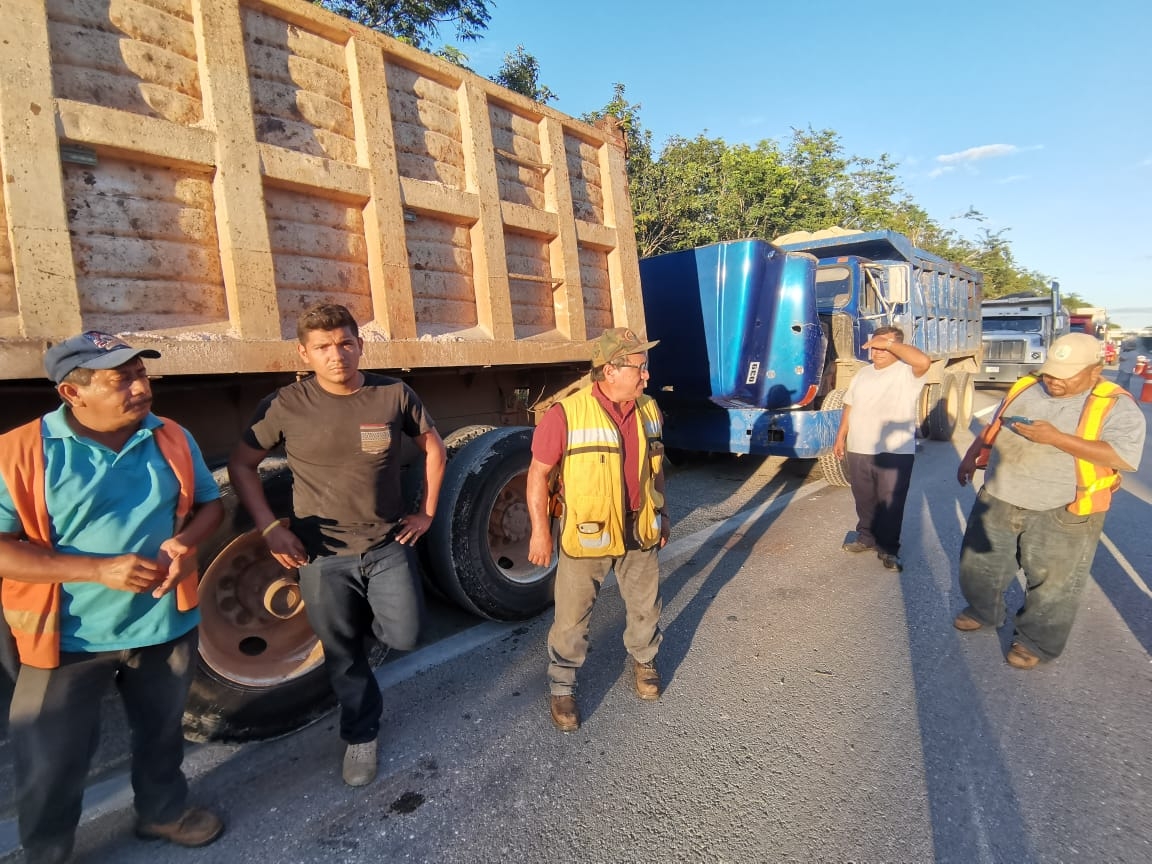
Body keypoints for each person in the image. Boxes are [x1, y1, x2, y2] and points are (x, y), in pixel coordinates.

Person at [0, 332, 225, 864]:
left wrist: (186, 544)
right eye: (120, 378)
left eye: (141, 373)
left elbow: (210, 506)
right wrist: (96, 569)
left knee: (162, 732)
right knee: (50, 757)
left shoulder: (170, 435)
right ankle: (47, 851)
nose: (140, 386)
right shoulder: (20, 452)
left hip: (164, 624)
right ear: (71, 393)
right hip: (66, 637)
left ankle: (162, 813)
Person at [228, 303, 446, 787]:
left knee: (405, 635)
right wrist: (268, 527)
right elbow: (242, 464)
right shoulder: (285, 404)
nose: (336, 355)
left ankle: (355, 626)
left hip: (387, 544)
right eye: (323, 347)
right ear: (304, 353)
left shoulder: (392, 394)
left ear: (359, 345)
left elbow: (433, 446)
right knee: (342, 653)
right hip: (319, 555)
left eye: (345, 343)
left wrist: (427, 511)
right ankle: (361, 733)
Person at [954, 333, 1145, 669]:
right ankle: (983, 611)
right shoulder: (1025, 388)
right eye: (1050, 372)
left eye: (1065, 374)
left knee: (1054, 583)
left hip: (1065, 508)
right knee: (979, 566)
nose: (1054, 380)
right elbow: (995, 427)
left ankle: (1035, 642)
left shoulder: (1115, 404)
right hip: (1000, 494)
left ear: (1095, 370)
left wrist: (1056, 438)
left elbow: (1123, 456)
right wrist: (972, 457)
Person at [526, 328, 670, 733]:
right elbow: (538, 475)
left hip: (639, 527)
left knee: (646, 605)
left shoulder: (649, 409)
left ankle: (644, 662)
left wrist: (664, 515)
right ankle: (562, 686)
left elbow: (657, 469)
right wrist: (540, 532)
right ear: (610, 370)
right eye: (640, 369)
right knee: (572, 618)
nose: (647, 377)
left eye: (646, 368)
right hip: (587, 533)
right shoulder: (566, 414)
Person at [832, 325, 931, 571]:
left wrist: (887, 342)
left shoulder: (907, 373)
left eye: (882, 346)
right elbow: (849, 404)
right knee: (864, 498)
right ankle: (866, 538)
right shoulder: (863, 374)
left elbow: (924, 360)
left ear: (896, 347)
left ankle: (888, 549)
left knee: (890, 502)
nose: (876, 351)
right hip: (860, 446)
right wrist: (841, 435)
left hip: (895, 451)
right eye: (874, 346)